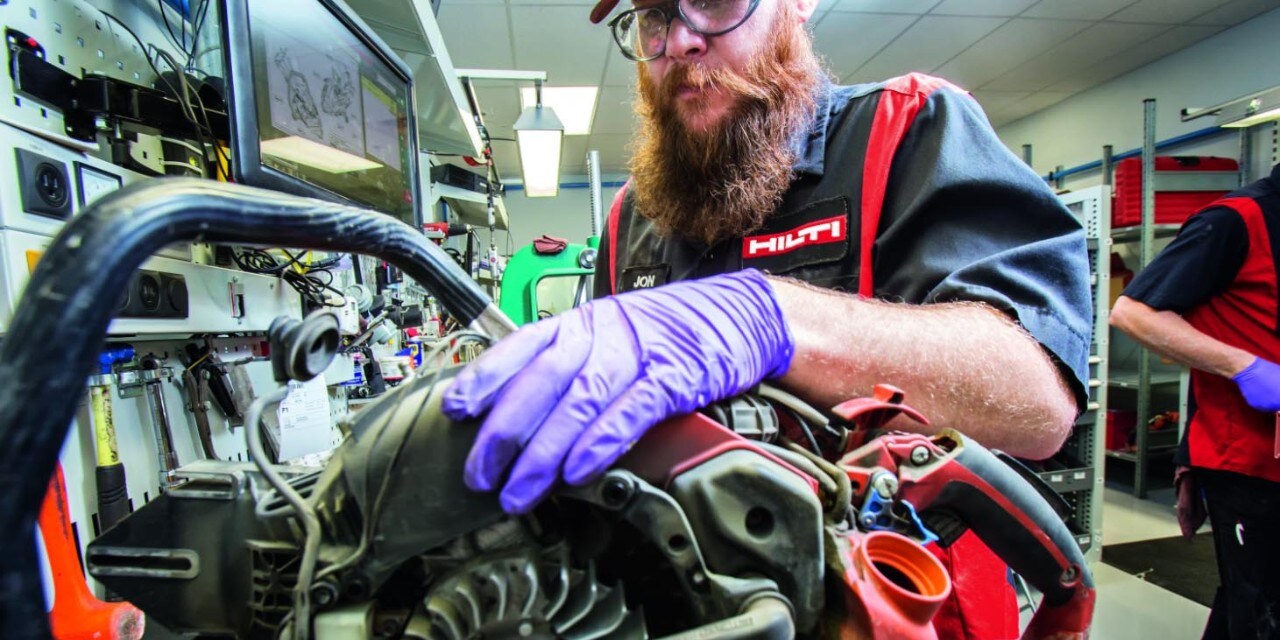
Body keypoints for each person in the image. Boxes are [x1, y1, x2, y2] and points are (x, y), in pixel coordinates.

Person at [443, 0, 1093, 636]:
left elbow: (1038, 400)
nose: (680, 40)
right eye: (653, 16)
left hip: (898, 608)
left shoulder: (909, 129)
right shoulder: (631, 219)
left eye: (711, 2)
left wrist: (769, 316)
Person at [1110, 162, 1280, 639]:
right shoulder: (1234, 220)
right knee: (1258, 610)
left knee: (1249, 608)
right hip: (1252, 463)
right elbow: (1133, 312)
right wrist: (1244, 367)